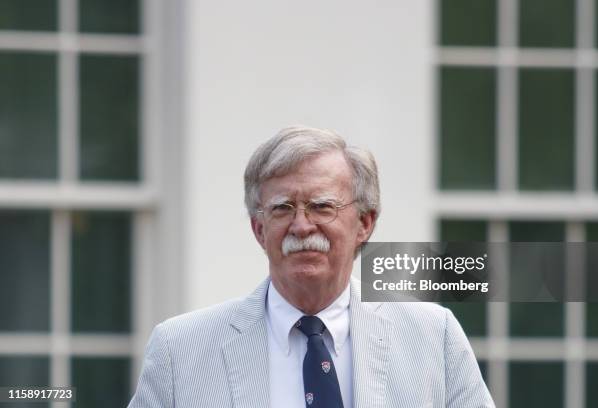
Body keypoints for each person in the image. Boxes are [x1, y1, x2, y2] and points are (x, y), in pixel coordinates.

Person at [127, 126, 495, 408]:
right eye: (282, 208)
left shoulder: (432, 338)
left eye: (322, 206)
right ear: (259, 229)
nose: (302, 226)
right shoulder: (180, 350)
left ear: (365, 223)